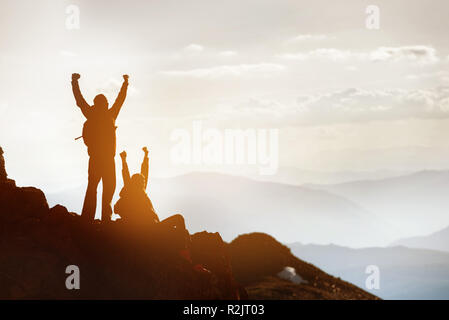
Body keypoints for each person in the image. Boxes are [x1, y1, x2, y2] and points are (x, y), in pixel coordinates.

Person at [71, 73, 129, 222]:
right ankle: (106, 220)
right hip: (108, 160)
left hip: (95, 159)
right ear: (105, 104)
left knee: (92, 188)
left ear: (95, 103)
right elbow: (120, 100)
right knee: (108, 189)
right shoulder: (111, 115)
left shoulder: (90, 114)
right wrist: (125, 83)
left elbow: (79, 100)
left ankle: (87, 218)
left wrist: (74, 82)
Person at [114, 147, 191, 254]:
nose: (144, 183)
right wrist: (124, 160)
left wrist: (145, 156)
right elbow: (126, 176)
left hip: (153, 227)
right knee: (179, 218)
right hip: (152, 229)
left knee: (181, 228)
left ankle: (184, 249)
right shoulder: (132, 193)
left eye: (143, 181)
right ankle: (184, 252)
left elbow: (144, 172)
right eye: (141, 182)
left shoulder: (140, 191)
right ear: (136, 183)